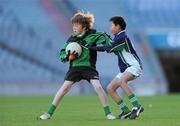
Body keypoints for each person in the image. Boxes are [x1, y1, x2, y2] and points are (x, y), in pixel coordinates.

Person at [39, 11, 115, 120]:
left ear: (84, 26)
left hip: (89, 68)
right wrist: (67, 57)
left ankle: (108, 113)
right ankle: (48, 113)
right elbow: (62, 54)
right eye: (73, 25)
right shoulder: (71, 39)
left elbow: (107, 41)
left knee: (98, 87)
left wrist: (106, 41)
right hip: (75, 68)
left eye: (76, 25)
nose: (74, 27)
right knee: (64, 88)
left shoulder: (93, 34)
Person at [90, 16, 144, 119]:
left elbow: (109, 48)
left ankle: (137, 106)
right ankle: (125, 110)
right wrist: (105, 39)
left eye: (112, 25)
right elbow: (112, 46)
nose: (110, 28)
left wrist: (92, 48)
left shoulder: (122, 37)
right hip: (126, 69)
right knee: (110, 88)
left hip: (134, 66)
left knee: (122, 81)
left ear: (118, 26)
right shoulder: (118, 38)